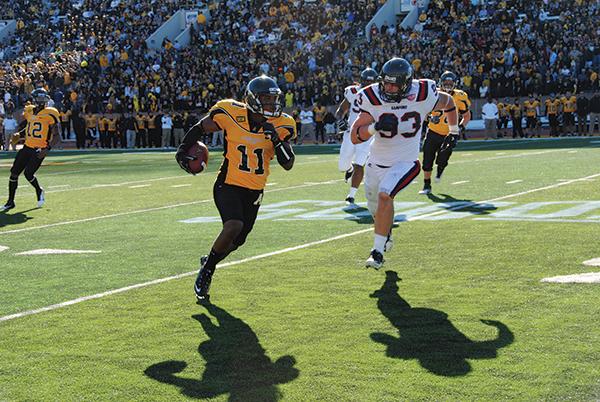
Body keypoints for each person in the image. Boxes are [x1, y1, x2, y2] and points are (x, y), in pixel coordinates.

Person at [175, 75, 296, 302]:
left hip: (255, 190)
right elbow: (201, 127)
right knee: (234, 224)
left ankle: (210, 259)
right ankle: (207, 271)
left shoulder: (282, 124)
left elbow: (288, 163)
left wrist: (277, 140)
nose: (272, 104)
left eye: (273, 99)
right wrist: (182, 150)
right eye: (266, 100)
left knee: (238, 241)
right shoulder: (230, 112)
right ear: (252, 100)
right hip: (228, 183)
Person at [350, 57, 459, 269]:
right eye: (386, 83)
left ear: (407, 83)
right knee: (375, 206)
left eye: (394, 84)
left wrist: (453, 132)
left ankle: (377, 252)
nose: (389, 88)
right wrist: (375, 127)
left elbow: (449, 103)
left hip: (406, 162)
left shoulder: (423, 92)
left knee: (385, 195)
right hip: (376, 161)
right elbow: (355, 136)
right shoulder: (371, 95)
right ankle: (385, 231)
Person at [1, 89, 61, 212]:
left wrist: (47, 149)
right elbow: (30, 128)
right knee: (14, 173)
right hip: (27, 147)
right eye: (39, 98)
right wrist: (20, 133)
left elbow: (57, 136)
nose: (41, 101)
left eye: (43, 99)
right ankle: (10, 202)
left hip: (39, 149)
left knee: (28, 174)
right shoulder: (29, 111)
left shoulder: (51, 113)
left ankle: (39, 190)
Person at [419, 71, 471, 195]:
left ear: (455, 84)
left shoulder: (460, 96)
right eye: (446, 83)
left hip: (449, 134)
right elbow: (423, 113)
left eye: (450, 83)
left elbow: (467, 115)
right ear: (440, 83)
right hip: (432, 132)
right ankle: (427, 185)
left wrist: (458, 129)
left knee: (442, 159)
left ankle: (440, 171)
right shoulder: (433, 94)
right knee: (427, 159)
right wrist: (430, 118)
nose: (448, 85)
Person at [335, 67, 378, 204]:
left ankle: (351, 195)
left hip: (367, 134)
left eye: (370, 82)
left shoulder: (379, 96)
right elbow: (341, 109)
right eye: (365, 82)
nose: (368, 85)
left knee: (360, 163)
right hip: (350, 132)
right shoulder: (352, 91)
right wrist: (341, 120)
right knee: (342, 166)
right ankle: (349, 169)